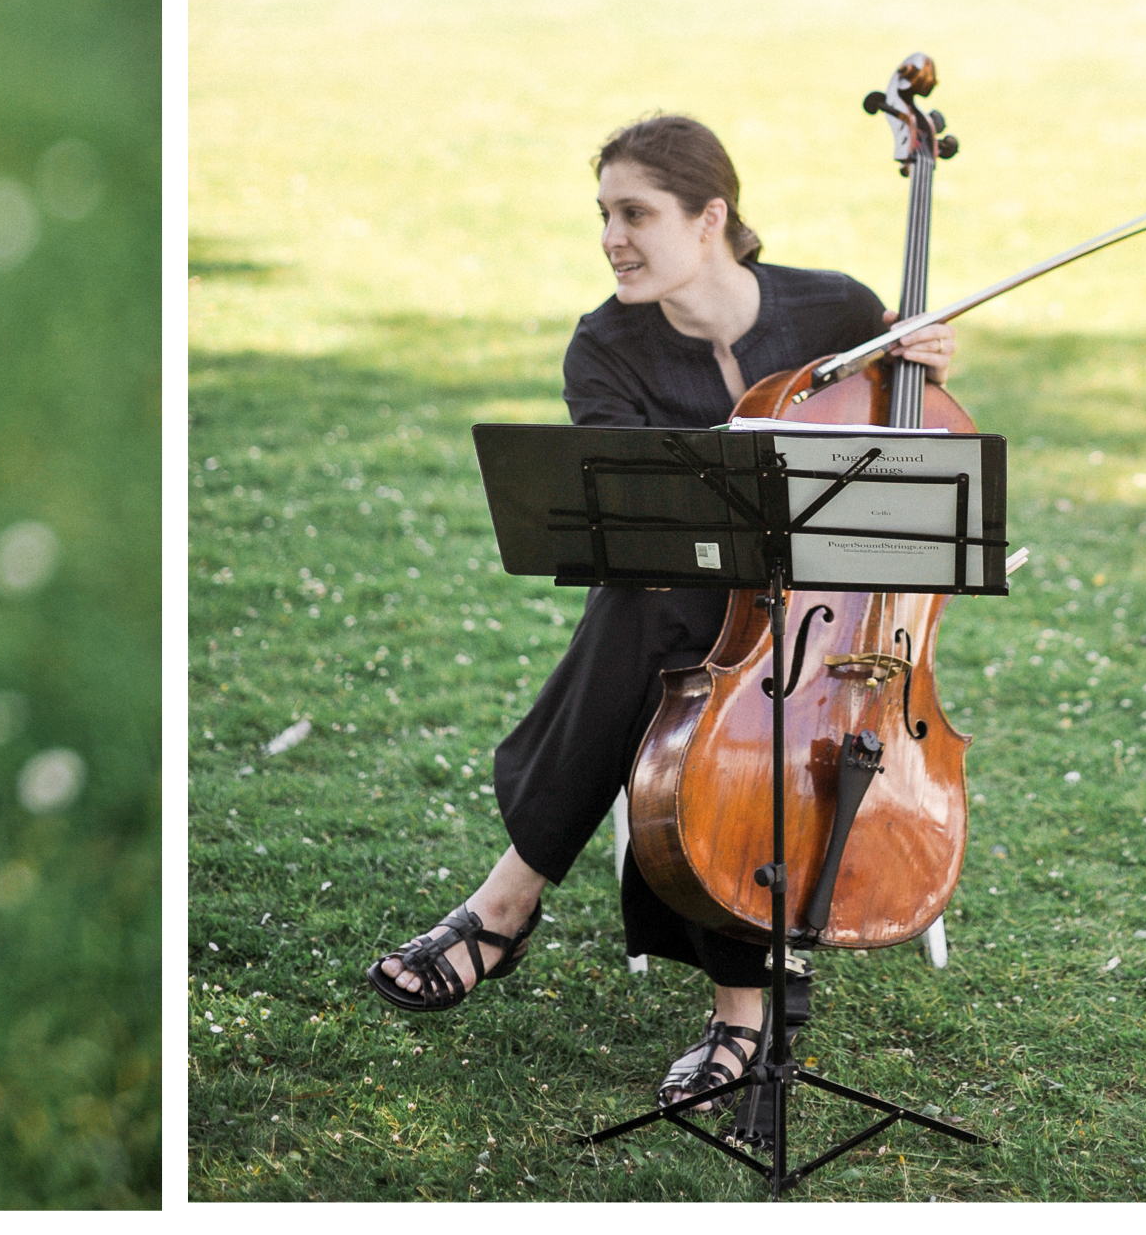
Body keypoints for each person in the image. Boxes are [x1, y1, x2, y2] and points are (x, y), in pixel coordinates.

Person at [365, 112, 955, 1115]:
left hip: (831, 631)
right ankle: (739, 1011)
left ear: (710, 216)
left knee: (656, 631)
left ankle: (508, 904)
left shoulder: (838, 310)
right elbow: (626, 522)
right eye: (603, 215)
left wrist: (920, 374)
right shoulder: (606, 347)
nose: (612, 239)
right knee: (658, 608)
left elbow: (907, 483)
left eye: (635, 213)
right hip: (686, 611)